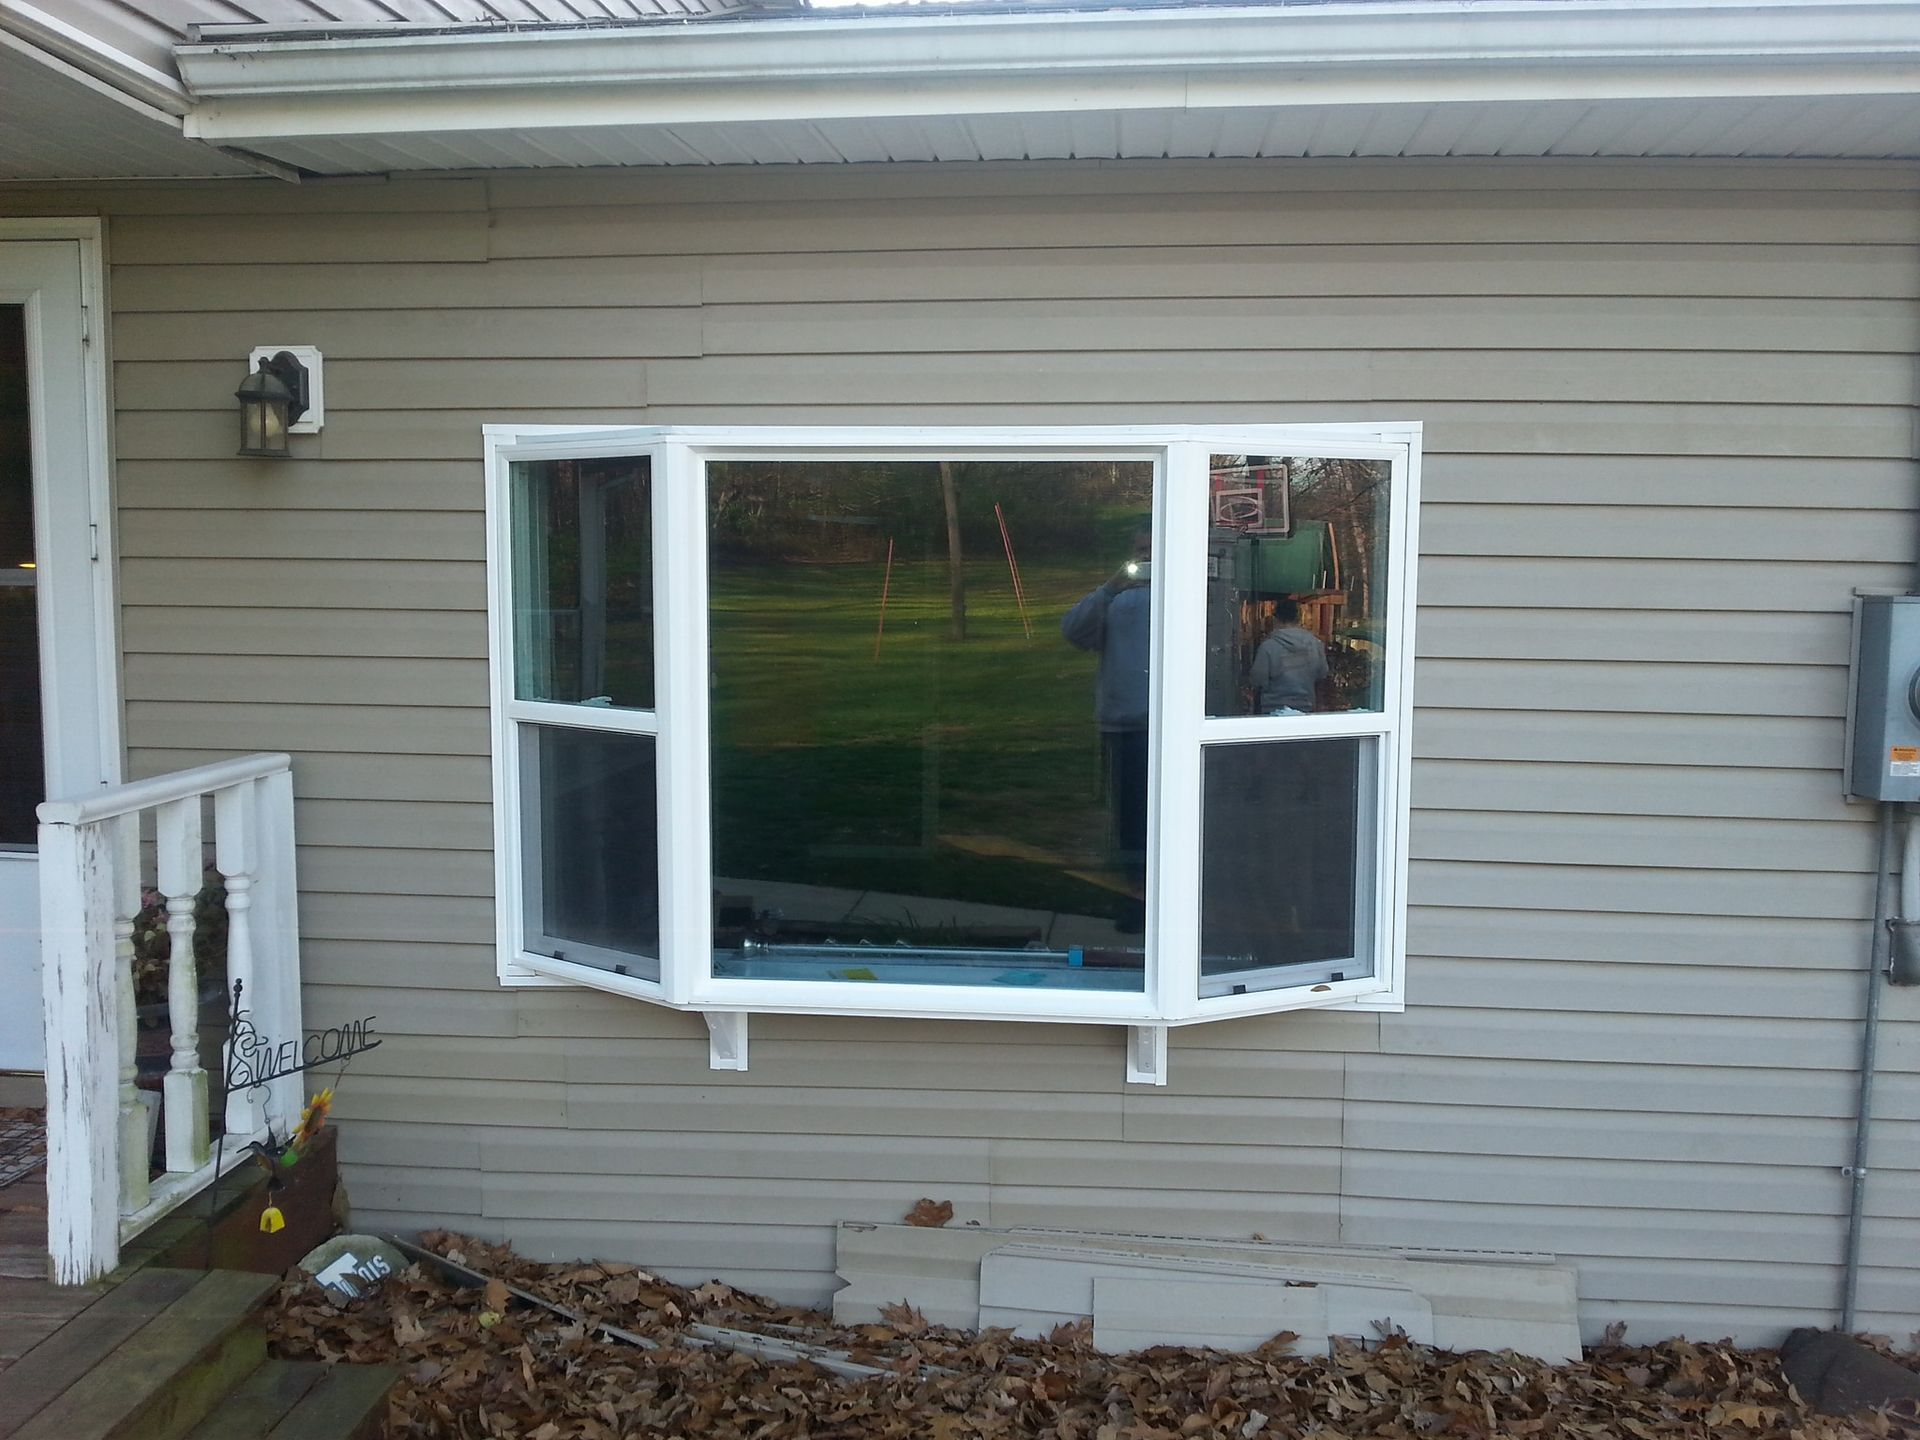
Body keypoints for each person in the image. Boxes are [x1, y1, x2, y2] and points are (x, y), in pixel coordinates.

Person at [1061, 525, 1152, 932]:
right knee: (1131, 821)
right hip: (1125, 725)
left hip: (1181, 728)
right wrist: (1112, 586)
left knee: (1183, 821)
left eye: (1152, 549)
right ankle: (1137, 901)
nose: (1146, 558)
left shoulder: (1194, 592)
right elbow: (1074, 631)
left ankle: (1182, 906)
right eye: (1139, 551)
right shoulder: (1119, 601)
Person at [1249, 598, 1328, 714]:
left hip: (1274, 711)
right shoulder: (1315, 644)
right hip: (1305, 709)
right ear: (1299, 619)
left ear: (1276, 619)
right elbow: (1322, 673)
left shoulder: (1268, 647)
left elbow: (1257, 680)